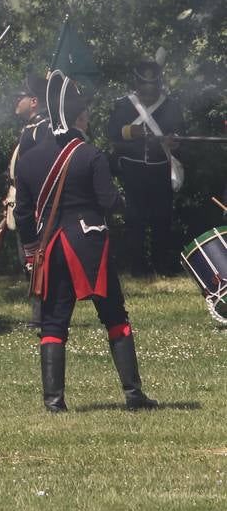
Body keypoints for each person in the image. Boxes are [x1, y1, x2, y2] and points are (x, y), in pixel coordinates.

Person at [16, 71, 157, 412]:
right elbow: (109, 201)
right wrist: (126, 202)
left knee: (53, 323)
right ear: (78, 117)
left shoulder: (28, 159)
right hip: (89, 246)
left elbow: (22, 214)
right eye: (86, 113)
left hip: (51, 246)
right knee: (115, 316)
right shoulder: (90, 154)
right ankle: (134, 395)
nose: (89, 117)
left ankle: (54, 402)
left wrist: (32, 252)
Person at [106, 59, 185, 277]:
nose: (149, 93)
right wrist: (130, 131)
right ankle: (138, 266)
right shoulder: (123, 105)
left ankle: (161, 264)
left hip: (160, 168)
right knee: (135, 219)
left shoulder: (171, 106)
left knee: (162, 218)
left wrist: (173, 141)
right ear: (137, 85)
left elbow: (179, 132)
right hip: (132, 170)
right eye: (145, 88)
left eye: (153, 88)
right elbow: (112, 133)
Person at [6, 73, 53, 327]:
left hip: (35, 203)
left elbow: (42, 170)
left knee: (36, 260)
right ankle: (39, 316)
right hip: (22, 200)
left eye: (20, 97)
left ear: (34, 101)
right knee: (28, 260)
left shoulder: (42, 130)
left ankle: (44, 316)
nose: (17, 101)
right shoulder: (32, 129)